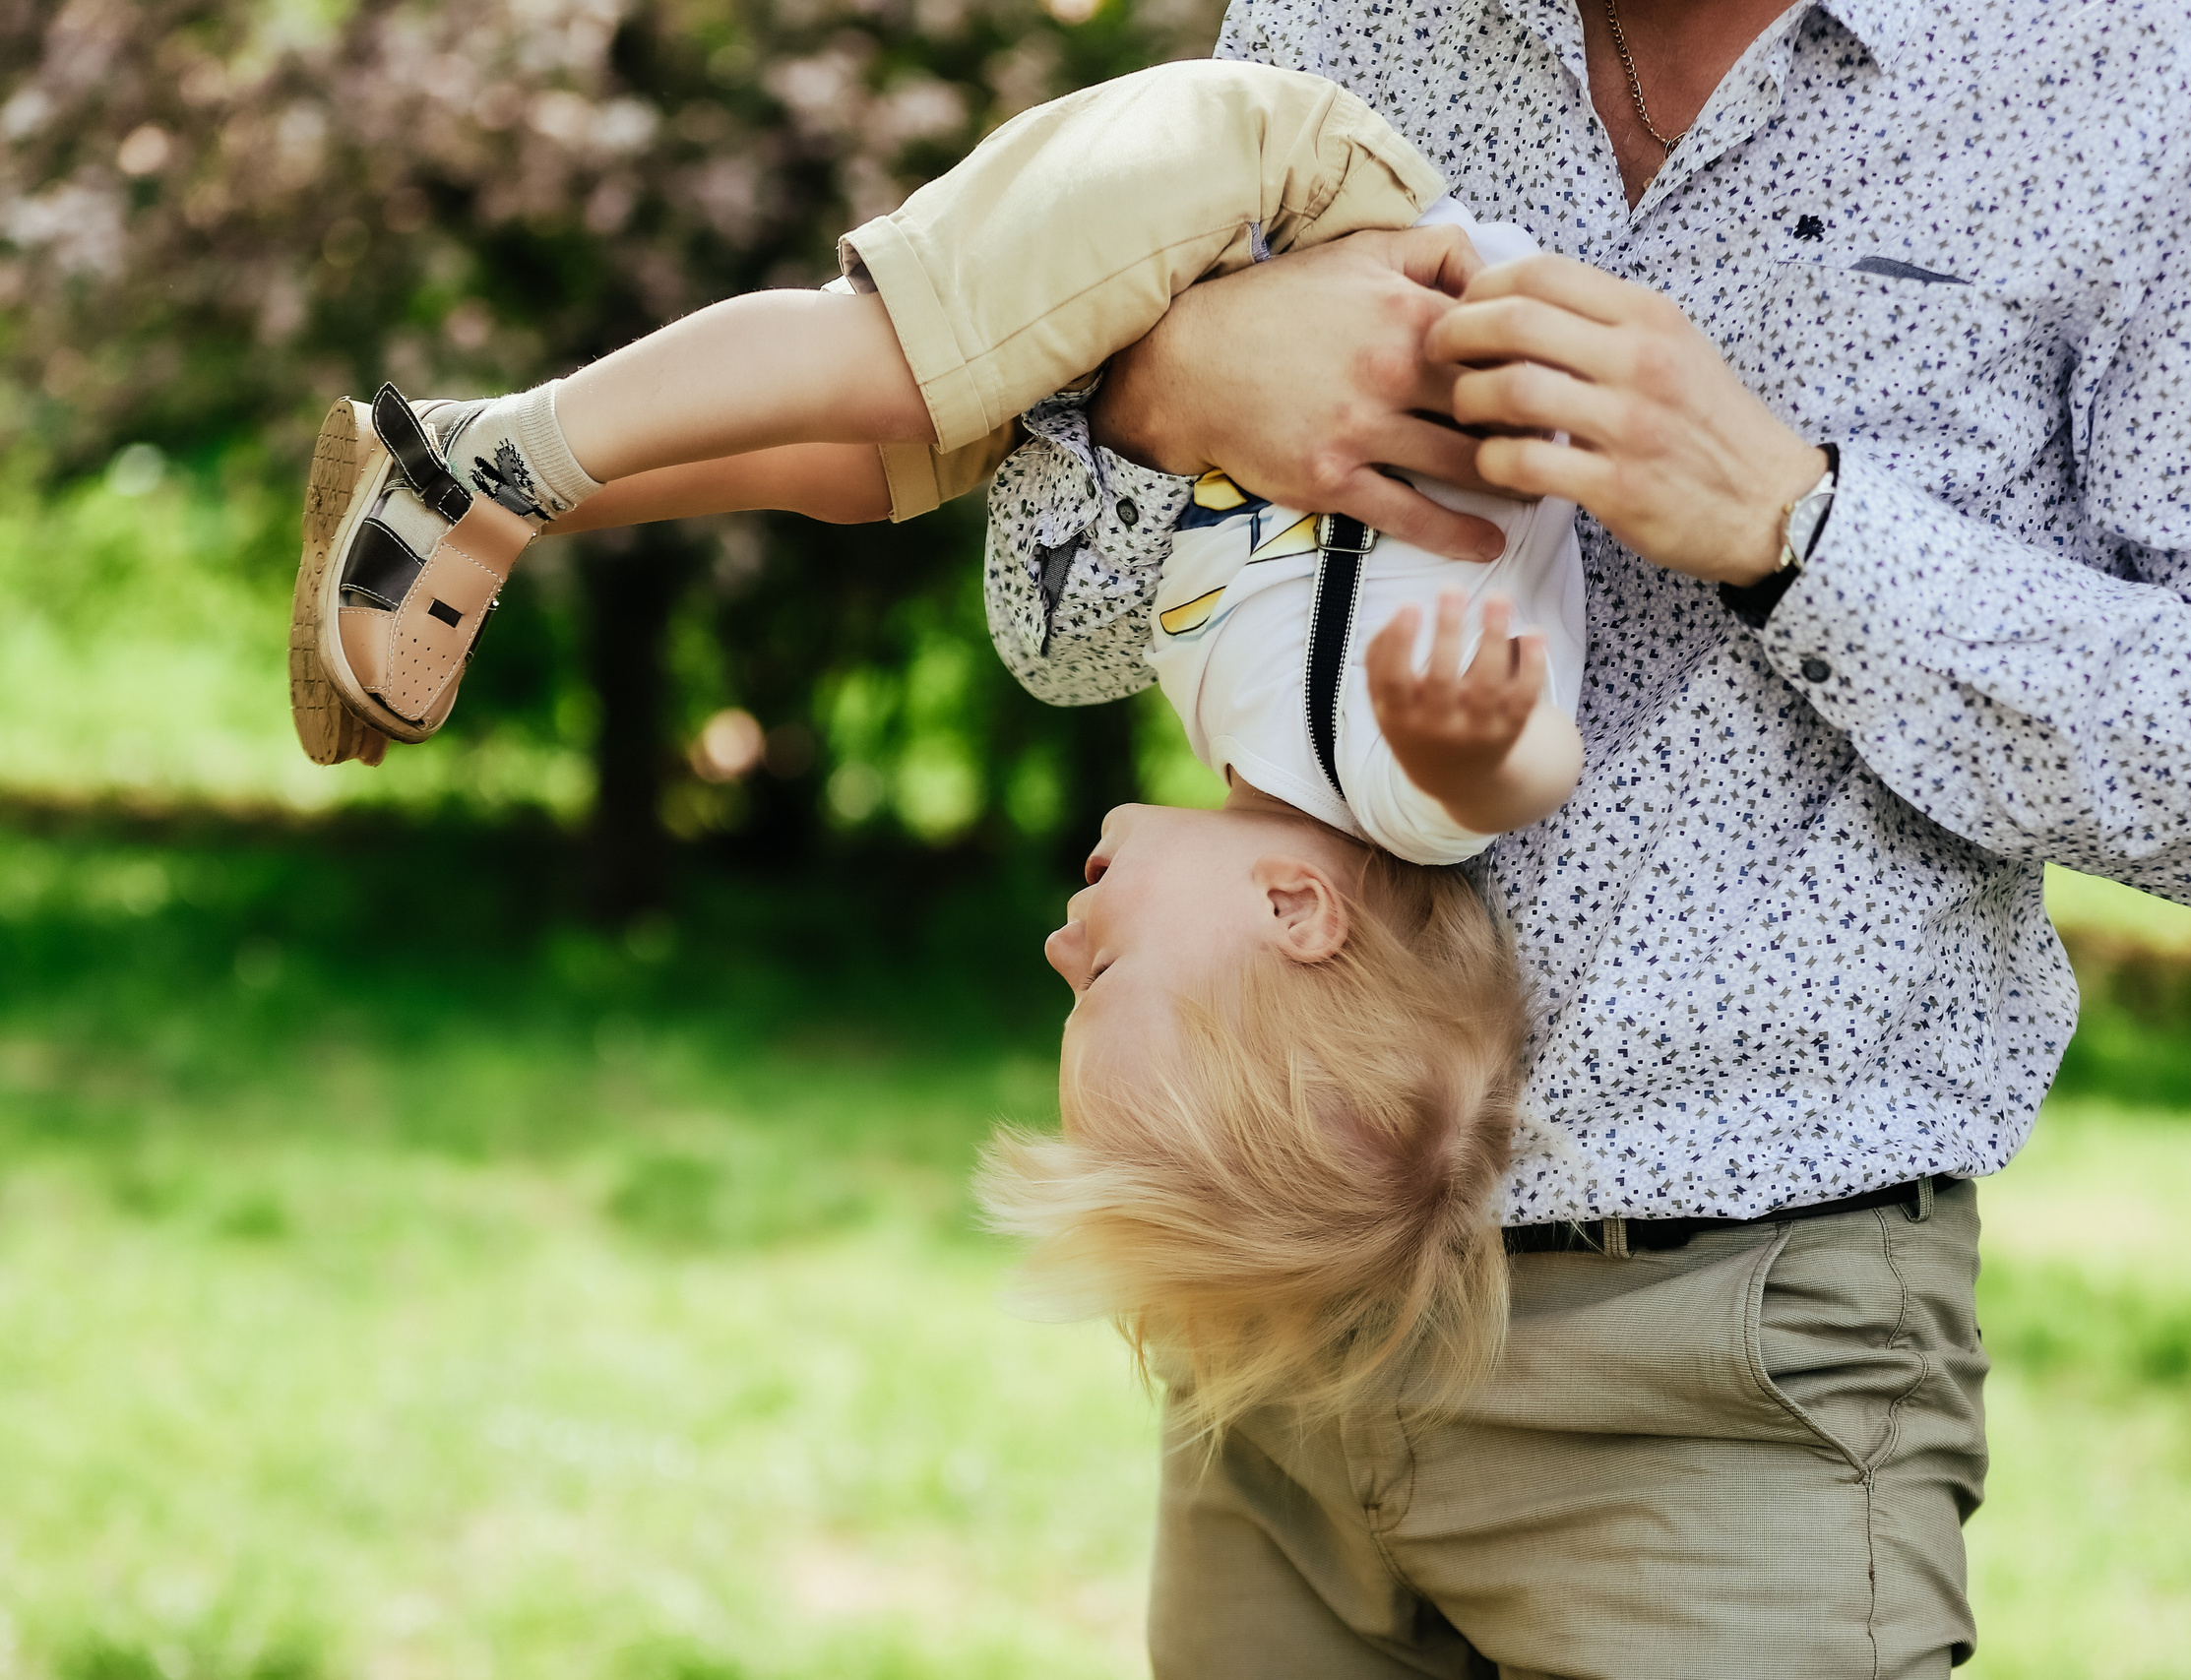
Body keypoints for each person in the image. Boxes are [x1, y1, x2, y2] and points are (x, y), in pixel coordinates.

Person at [978, 0, 2191, 1674]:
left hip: (1733, 1372)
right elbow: (1059, 618)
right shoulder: (1332, 23)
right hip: (1271, 1308)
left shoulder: (2159, 59)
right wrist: (1163, 392)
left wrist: (1794, 526)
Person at [284, 61, 1585, 1432]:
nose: (1059, 951)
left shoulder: (1242, 737)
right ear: (1296, 910)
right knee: (900, 367)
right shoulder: (1392, 776)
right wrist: (1476, 746)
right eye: (1106, 982)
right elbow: (1503, 785)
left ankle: (472, 468)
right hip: (1289, 191)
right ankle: (490, 479)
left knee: (878, 462)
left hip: (1220, 275)